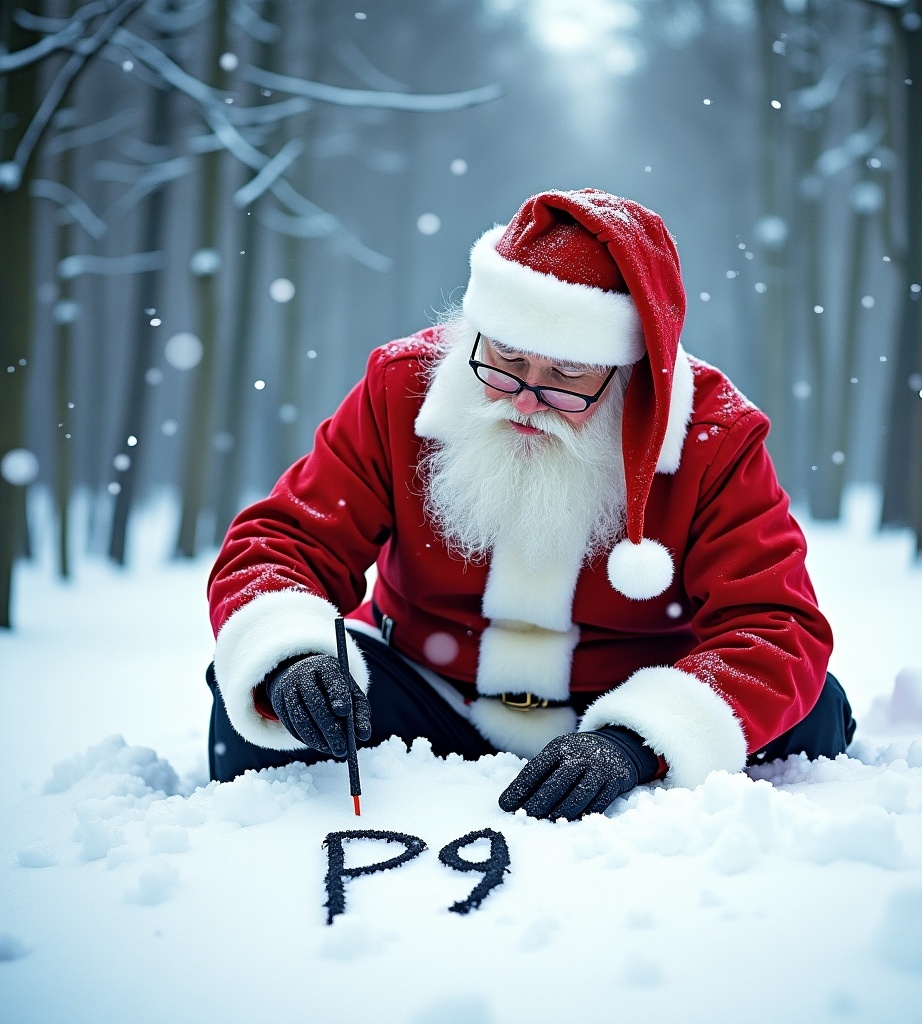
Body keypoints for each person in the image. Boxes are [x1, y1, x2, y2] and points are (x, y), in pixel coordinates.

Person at [206, 188, 854, 821]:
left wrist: (637, 741)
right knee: (254, 703)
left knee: (815, 709)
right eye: (507, 358)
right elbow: (283, 540)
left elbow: (775, 626)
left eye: (567, 377)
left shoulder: (714, 437)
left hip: (618, 703)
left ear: (629, 371)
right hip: (426, 688)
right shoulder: (402, 388)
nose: (524, 399)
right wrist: (292, 659)